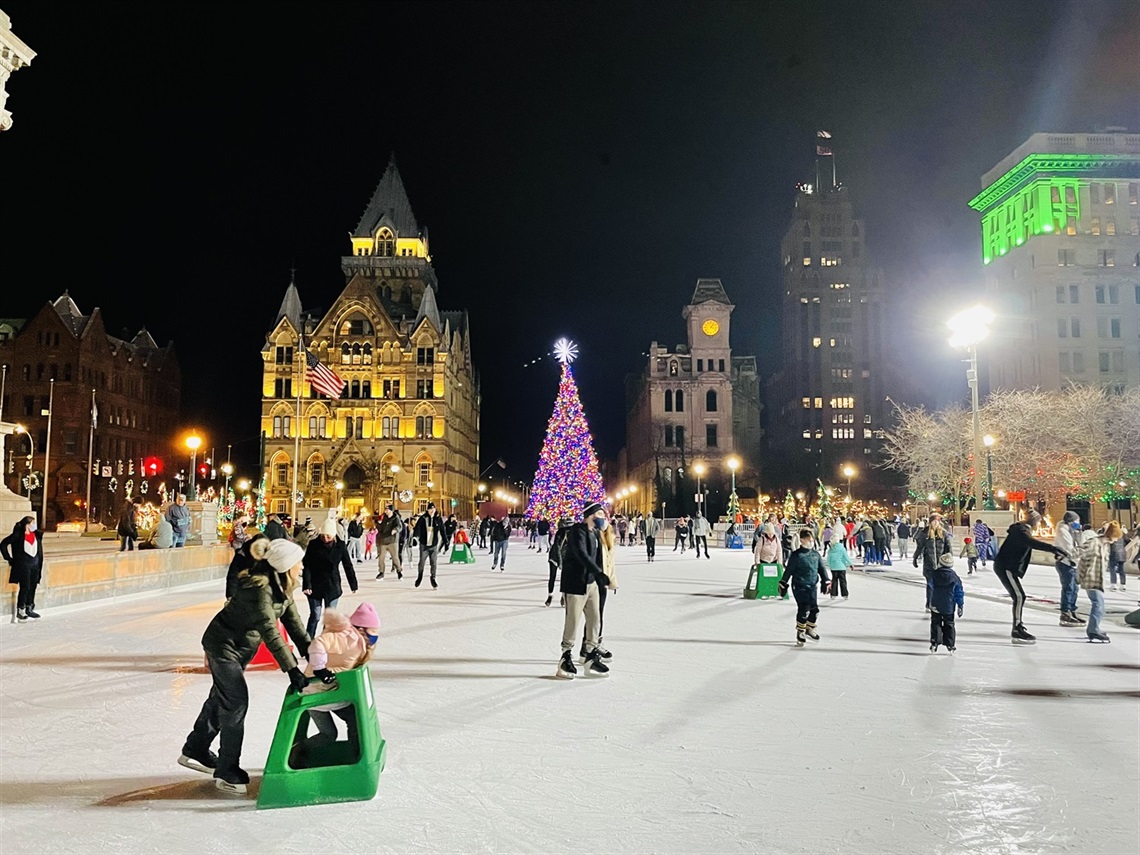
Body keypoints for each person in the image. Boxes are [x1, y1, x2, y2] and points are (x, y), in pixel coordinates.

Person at [179, 538, 311, 794]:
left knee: (222, 698)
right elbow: (270, 632)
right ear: (286, 566)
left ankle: (195, 747)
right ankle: (228, 770)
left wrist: (316, 657)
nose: (303, 567)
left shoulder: (283, 589)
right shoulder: (259, 591)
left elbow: (295, 626)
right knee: (236, 701)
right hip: (222, 646)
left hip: (239, 649)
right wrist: (292, 669)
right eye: (299, 562)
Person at [291, 602, 381, 766]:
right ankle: (356, 759)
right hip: (320, 692)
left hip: (326, 692)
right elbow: (318, 643)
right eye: (373, 631)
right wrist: (320, 669)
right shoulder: (346, 638)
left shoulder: (356, 640)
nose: (375, 636)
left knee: (329, 734)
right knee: (354, 718)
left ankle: (300, 751)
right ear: (361, 629)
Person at [993, 511, 1067, 645]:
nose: (1039, 524)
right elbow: (1031, 543)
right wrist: (1053, 548)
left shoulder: (1020, 530)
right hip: (1005, 567)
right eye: (1038, 522)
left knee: (1020, 596)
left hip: (1007, 566)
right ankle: (1017, 627)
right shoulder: (1021, 531)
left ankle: (1018, 625)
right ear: (1033, 522)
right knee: (1019, 596)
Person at [555, 502, 609, 678]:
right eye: (600, 513)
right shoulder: (577, 531)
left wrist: (603, 578)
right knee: (573, 621)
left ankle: (590, 656)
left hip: (592, 583)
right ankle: (565, 657)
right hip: (576, 584)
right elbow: (581, 554)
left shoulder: (595, 533)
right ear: (591, 514)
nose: (603, 517)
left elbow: (601, 556)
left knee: (595, 619)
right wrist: (598, 573)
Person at [301, 518, 358, 638]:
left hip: (332, 585)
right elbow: (307, 566)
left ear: (333, 535)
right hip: (315, 585)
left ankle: (325, 641)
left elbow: (347, 565)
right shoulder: (313, 544)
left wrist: (353, 584)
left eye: (328, 536)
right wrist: (307, 584)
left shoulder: (340, 546)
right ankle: (307, 642)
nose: (326, 539)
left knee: (329, 618)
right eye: (324, 536)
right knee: (315, 615)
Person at [778, 529, 831, 647]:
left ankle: (809, 628)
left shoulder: (815, 555)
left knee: (815, 610)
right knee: (804, 608)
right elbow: (789, 570)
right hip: (799, 586)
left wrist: (826, 581)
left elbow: (821, 569)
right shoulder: (797, 555)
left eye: (812, 540)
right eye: (808, 540)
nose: (811, 542)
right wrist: (783, 583)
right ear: (802, 540)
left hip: (812, 586)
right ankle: (800, 631)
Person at [1078, 521, 1122, 643]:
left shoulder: (1105, 545)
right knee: (1098, 604)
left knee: (1099, 604)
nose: (1116, 540)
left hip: (1098, 579)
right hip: (1090, 577)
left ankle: (1094, 628)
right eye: (1116, 537)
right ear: (1111, 535)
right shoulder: (1094, 542)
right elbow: (1079, 551)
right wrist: (1064, 557)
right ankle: (1093, 629)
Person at [581, 512, 616, 661]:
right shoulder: (591, 535)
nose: (603, 520)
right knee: (593, 616)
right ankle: (589, 647)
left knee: (598, 615)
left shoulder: (607, 537)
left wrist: (612, 580)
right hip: (591, 579)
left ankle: (592, 644)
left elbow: (609, 561)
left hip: (602, 580)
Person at [2, 516, 45, 620]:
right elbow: (3, 544)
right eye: (32, 523)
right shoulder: (18, 536)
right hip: (23, 565)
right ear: (27, 525)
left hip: (35, 565)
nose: (34, 525)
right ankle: (21, 609)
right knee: (25, 587)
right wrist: (9, 559)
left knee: (33, 586)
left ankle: (29, 607)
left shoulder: (36, 535)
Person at [913, 515, 952, 612]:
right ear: (930, 522)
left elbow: (948, 547)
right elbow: (919, 547)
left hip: (941, 563)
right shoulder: (925, 533)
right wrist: (915, 557)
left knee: (939, 585)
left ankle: (937, 603)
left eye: (937, 521)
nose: (935, 523)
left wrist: (949, 558)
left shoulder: (943, 533)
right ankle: (929, 603)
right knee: (931, 584)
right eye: (933, 521)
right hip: (929, 564)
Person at [929, 553, 965, 654]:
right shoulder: (955, 577)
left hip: (936, 604)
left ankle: (934, 642)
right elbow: (959, 592)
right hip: (949, 605)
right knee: (949, 624)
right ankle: (950, 644)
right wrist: (960, 605)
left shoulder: (934, 574)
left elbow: (930, 588)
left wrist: (929, 602)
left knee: (936, 623)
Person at [1053, 511, 1084, 626]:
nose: (1078, 524)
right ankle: (1065, 612)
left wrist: (1079, 534)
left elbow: (1081, 544)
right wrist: (1083, 551)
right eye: (1076, 522)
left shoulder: (1072, 531)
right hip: (1066, 563)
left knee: (1074, 588)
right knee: (1069, 588)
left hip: (1073, 563)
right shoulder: (1063, 531)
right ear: (1070, 522)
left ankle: (1072, 609)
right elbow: (1070, 551)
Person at [225, 533, 269, 599]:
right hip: (243, 590)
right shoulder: (242, 555)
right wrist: (231, 595)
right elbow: (233, 575)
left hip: (263, 593)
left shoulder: (269, 555)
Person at [413, 502, 446, 588]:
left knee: (433, 563)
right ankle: (419, 576)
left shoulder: (438, 519)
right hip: (424, 545)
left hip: (433, 545)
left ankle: (433, 578)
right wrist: (415, 537)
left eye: (433, 509)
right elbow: (417, 528)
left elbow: (442, 530)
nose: (432, 510)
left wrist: (446, 541)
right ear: (427, 510)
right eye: (430, 509)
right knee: (422, 562)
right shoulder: (423, 518)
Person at [375, 505, 403, 580]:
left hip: (392, 541)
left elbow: (399, 526)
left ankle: (399, 571)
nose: (385, 511)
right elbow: (380, 529)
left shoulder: (395, 518)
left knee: (395, 558)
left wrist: (395, 530)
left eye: (387, 510)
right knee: (381, 557)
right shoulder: (384, 518)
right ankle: (381, 572)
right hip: (383, 541)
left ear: (391, 511)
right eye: (385, 509)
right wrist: (378, 524)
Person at [827, 528, 854, 599]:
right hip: (842, 567)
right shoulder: (842, 549)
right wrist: (851, 564)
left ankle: (833, 594)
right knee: (843, 581)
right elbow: (846, 557)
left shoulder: (831, 550)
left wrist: (830, 565)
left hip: (834, 568)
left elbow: (828, 559)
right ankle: (845, 594)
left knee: (834, 581)